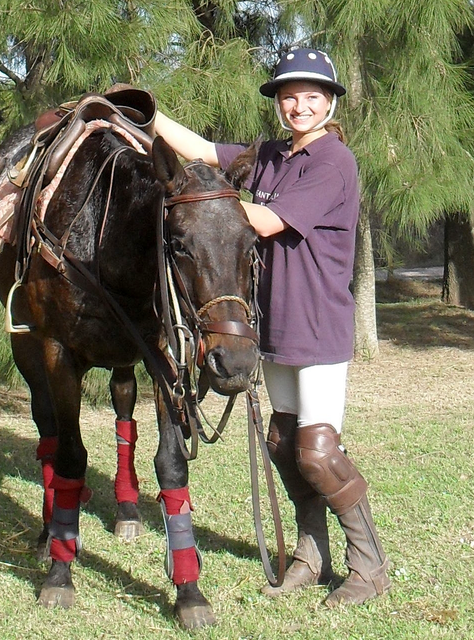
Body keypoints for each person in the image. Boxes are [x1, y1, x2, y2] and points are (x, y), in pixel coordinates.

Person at [154, 48, 391, 607]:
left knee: (317, 451)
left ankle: (370, 565)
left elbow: (258, 219)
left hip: (317, 321)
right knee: (284, 445)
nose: (299, 105)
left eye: (312, 95)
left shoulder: (334, 160)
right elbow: (206, 151)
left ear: (329, 102)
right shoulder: (271, 156)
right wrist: (149, 117)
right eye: (289, 95)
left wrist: (201, 207)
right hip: (272, 323)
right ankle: (313, 552)